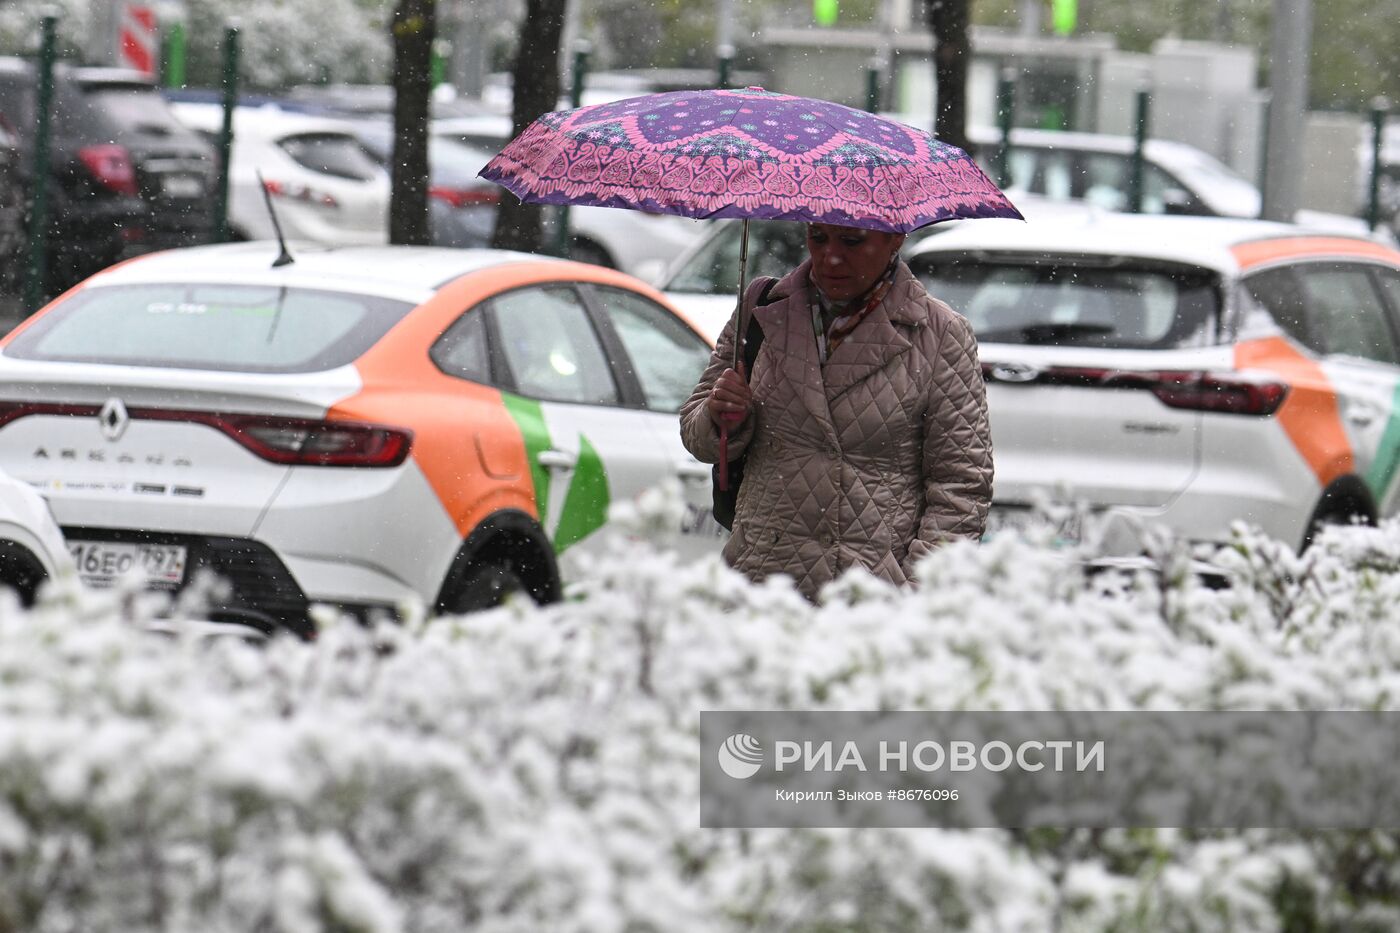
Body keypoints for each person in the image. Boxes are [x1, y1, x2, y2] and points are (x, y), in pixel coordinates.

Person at [679, 222, 993, 601]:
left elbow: (960, 486)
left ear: (895, 239)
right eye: (818, 237)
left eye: (851, 241)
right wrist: (721, 414)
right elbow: (696, 435)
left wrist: (918, 598)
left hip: (869, 600)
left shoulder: (940, 333)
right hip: (760, 583)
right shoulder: (763, 306)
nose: (830, 256)